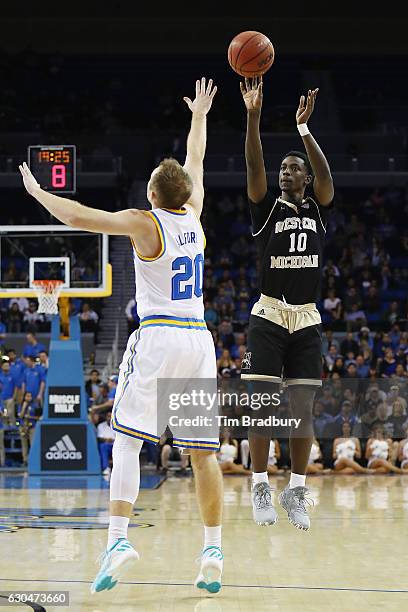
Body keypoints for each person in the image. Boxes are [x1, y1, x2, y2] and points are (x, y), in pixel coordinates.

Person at [20, 77, 224, 595]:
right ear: (184, 195)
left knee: (129, 439)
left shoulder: (142, 221)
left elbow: (77, 216)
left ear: (153, 193)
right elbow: (194, 160)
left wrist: (38, 191)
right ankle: (213, 548)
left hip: (158, 336)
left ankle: (117, 538)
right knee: (202, 453)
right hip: (199, 339)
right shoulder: (195, 217)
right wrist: (198, 115)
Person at [239, 78, 334, 530]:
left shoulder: (318, 208)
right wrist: (254, 115)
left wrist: (304, 131)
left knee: (302, 409)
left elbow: (328, 180)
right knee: (259, 403)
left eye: (294, 169)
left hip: (307, 316)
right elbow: (254, 163)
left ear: (306, 178)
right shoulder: (266, 209)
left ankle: (296, 489)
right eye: (283, 169)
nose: (285, 173)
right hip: (269, 313)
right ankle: (259, 483)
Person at [18, 391, 42, 464]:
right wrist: (24, 407)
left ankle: (33, 460)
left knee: (32, 444)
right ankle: (25, 460)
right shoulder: (21, 405)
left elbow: (39, 417)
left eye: (29, 396)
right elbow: (20, 416)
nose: (28, 398)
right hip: (23, 427)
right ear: (24, 397)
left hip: (32, 427)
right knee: (24, 445)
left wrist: (30, 417)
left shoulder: (35, 405)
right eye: (27, 396)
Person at [0, 360, 17, 426]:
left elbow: (16, 387)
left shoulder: (12, 376)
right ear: (2, 367)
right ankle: (4, 429)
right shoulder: (0, 376)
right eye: (5, 365)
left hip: (10, 398)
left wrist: (14, 397)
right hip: (1, 398)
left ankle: (13, 428)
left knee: (10, 414)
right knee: (3, 415)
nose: (6, 367)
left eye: (8, 366)